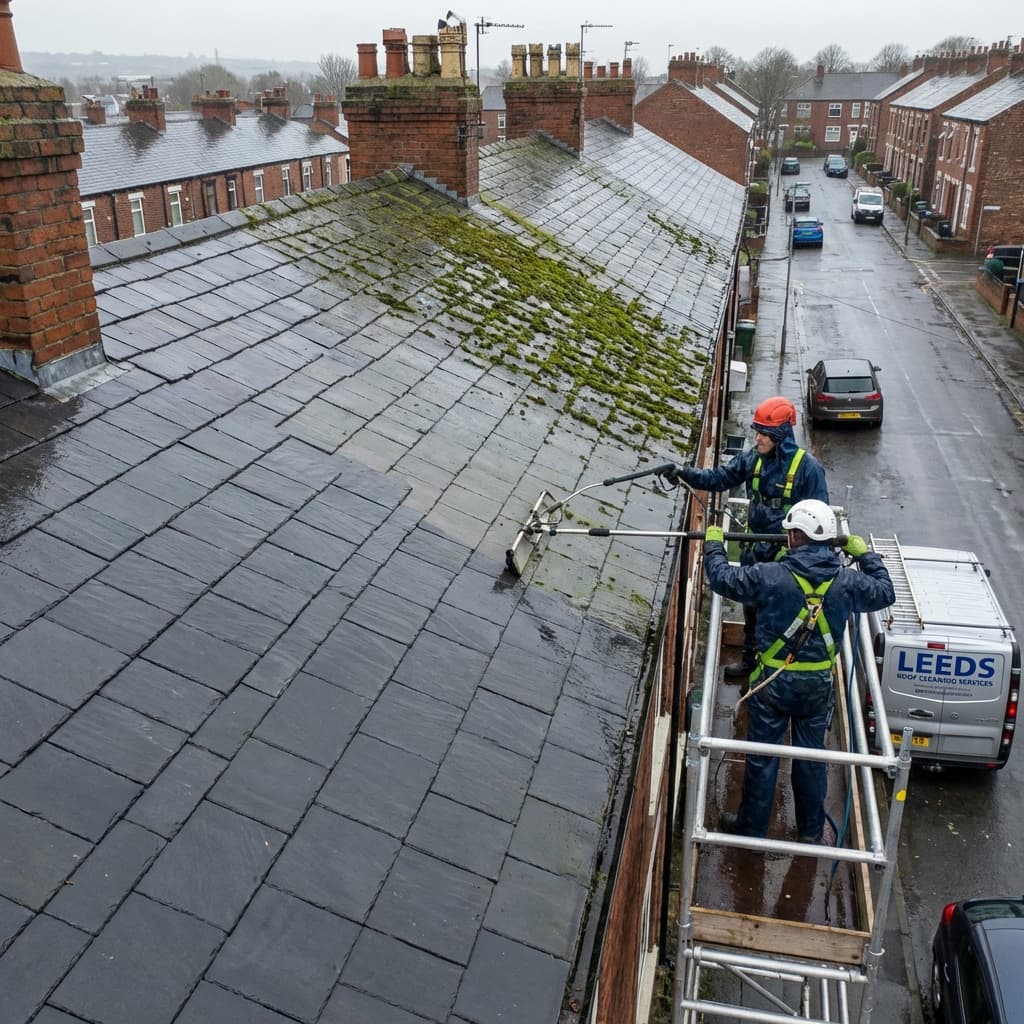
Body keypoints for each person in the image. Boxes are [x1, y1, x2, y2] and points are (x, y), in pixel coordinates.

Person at [702, 499, 894, 843]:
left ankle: (752, 831)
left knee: (764, 758)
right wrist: (866, 556)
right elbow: (885, 592)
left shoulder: (770, 576)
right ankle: (810, 833)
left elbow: (722, 578)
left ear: (793, 536)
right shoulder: (847, 582)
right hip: (817, 687)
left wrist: (714, 544)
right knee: (810, 758)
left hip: (772, 685)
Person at [673, 395, 828, 678]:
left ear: (781, 435)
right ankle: (749, 662)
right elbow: (718, 478)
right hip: (755, 552)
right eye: (757, 431)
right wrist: (683, 474)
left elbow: (819, 520)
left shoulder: (808, 470)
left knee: (780, 617)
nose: (757, 438)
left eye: (763, 433)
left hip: (788, 560)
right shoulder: (752, 459)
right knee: (751, 612)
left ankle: (777, 671)